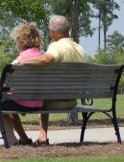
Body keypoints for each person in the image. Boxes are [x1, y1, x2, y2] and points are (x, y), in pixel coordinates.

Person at [18, 15, 86, 146]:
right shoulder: (79, 48)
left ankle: (39, 137)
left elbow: (46, 59)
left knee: (38, 98)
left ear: (53, 31)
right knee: (44, 94)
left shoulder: (57, 46)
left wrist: (21, 61)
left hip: (56, 101)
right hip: (72, 101)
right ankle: (42, 137)